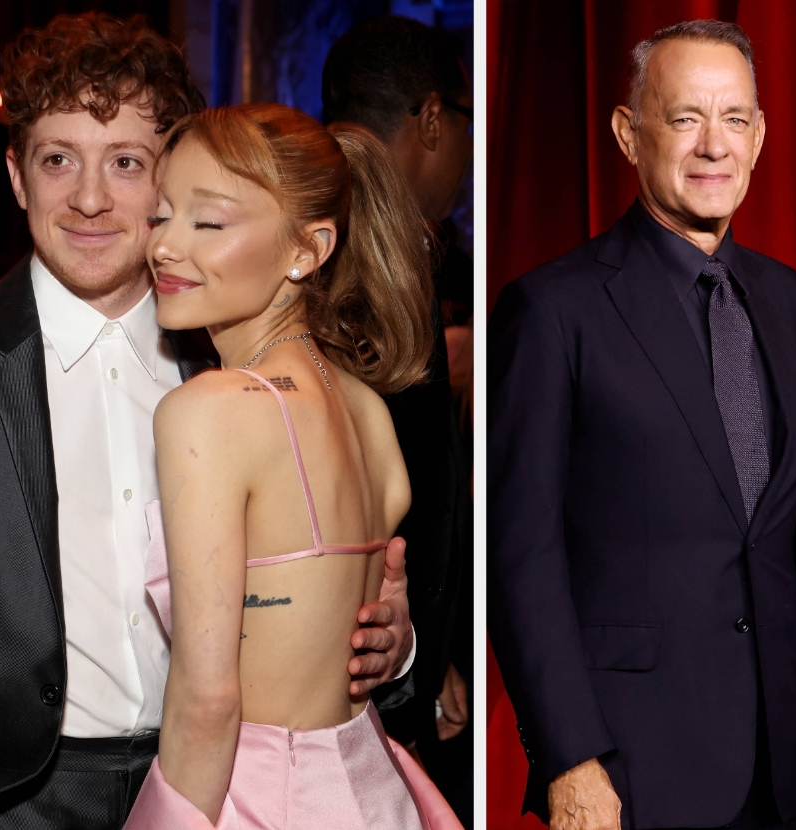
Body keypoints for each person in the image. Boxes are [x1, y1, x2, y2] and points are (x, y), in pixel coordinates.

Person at [0, 14, 414, 830]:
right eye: (57, 161)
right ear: (17, 177)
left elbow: (315, 594)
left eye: (125, 163)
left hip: (221, 794)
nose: (88, 198)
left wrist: (380, 646)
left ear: (170, 179)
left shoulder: (235, 363)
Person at [490, 20, 796, 830]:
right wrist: (569, 755)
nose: (714, 145)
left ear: (761, 136)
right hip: (631, 766)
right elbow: (520, 552)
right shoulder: (553, 309)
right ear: (629, 136)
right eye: (684, 118)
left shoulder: (794, 304)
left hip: (789, 765)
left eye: (735, 119)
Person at [122, 103, 461, 830]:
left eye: (207, 223)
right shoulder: (369, 410)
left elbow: (209, 701)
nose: (165, 247)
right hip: (372, 788)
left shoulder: (209, 409)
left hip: (248, 796)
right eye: (161, 216)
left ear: (307, 249)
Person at [322, 13, 475, 789]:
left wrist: (433, 647)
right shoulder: (340, 245)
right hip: (349, 694)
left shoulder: (403, 246)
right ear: (433, 118)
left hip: (396, 666)